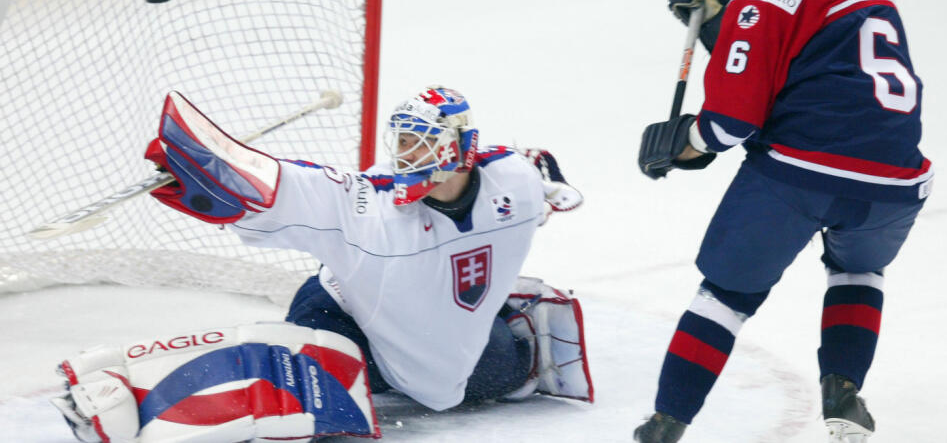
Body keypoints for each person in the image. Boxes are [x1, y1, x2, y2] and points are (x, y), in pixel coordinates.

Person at [50, 87, 592, 443]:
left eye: (421, 144)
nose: (406, 157)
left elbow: (536, 180)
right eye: (401, 142)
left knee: (501, 370)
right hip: (346, 316)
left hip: (439, 343)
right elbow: (292, 188)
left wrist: (549, 189)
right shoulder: (370, 206)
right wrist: (209, 179)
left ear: (460, 149)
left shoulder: (514, 182)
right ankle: (139, 391)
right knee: (310, 391)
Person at [636, 0, 931, 442]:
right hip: (893, 183)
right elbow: (806, 64)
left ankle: (665, 423)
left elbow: (730, 122)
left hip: (800, 175)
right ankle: (843, 391)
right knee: (857, 272)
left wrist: (682, 146)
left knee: (724, 296)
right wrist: (727, 22)